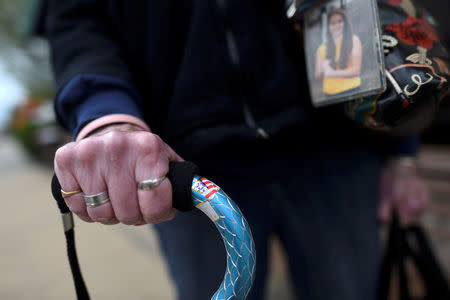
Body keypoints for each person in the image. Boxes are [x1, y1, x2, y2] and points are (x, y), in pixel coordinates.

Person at [45, 1, 429, 299]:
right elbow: (79, 22)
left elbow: (373, 14)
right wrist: (108, 119)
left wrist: (402, 151)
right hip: (188, 169)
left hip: (332, 151)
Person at [315, 8, 362, 96]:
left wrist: (331, 73)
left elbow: (356, 71)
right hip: (330, 94)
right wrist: (323, 70)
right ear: (328, 27)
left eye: (340, 21)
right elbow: (318, 76)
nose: (337, 25)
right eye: (333, 23)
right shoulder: (321, 49)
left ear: (345, 23)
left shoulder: (354, 40)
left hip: (352, 90)